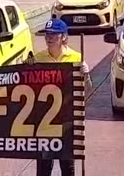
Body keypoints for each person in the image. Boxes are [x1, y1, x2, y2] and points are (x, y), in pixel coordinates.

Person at [29, 19, 90, 176]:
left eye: (53, 35)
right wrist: (26, 68)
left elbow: (87, 91)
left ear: (63, 37)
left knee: (67, 167)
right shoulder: (38, 58)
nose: (49, 38)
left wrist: (86, 74)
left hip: (67, 122)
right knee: (43, 168)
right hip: (43, 123)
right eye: (47, 35)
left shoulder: (76, 58)